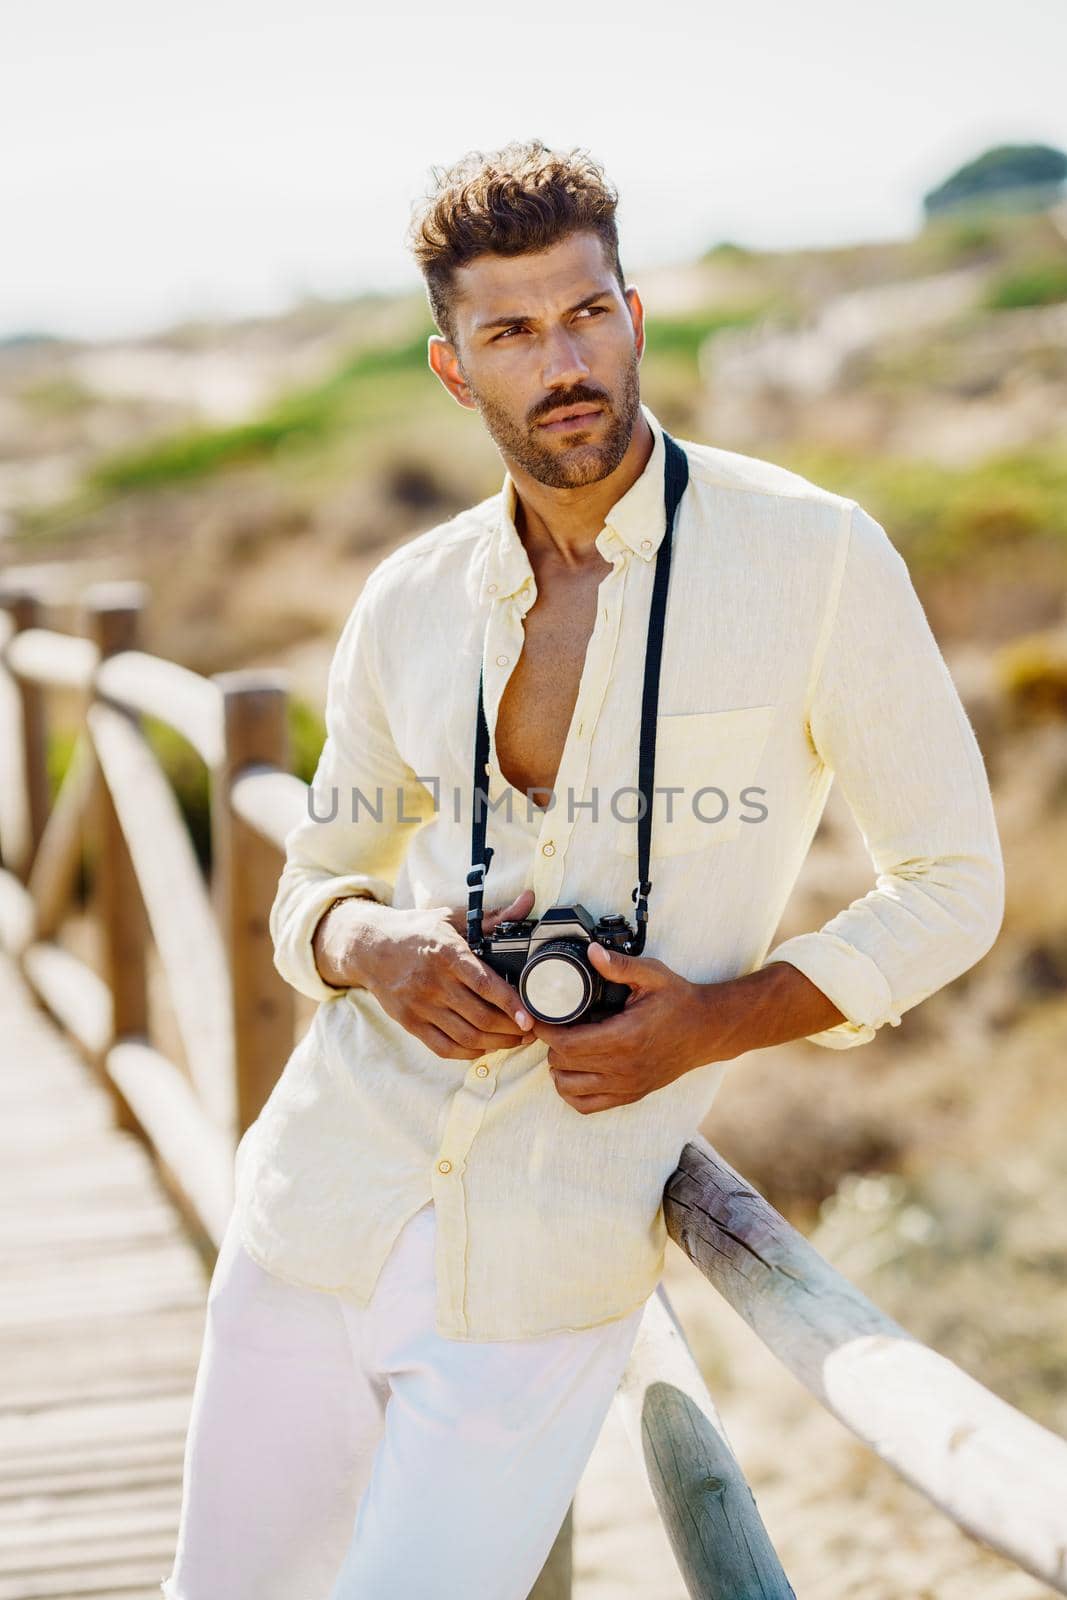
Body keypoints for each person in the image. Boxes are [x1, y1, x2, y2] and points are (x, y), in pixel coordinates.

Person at [161, 138, 1004, 1599]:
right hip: (318, 1208)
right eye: (511, 331)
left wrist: (717, 1021)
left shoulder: (816, 558)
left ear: (634, 309)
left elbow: (954, 882)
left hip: (547, 1266)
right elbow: (316, 875)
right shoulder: (409, 599)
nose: (564, 361)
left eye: (586, 313)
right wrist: (378, 950)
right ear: (452, 368)